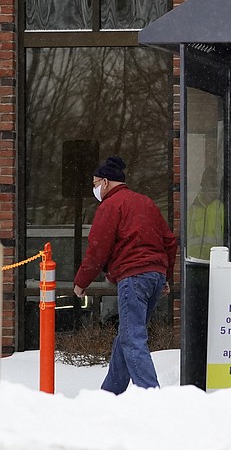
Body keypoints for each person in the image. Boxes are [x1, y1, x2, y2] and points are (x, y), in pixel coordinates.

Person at [73, 156, 177, 395]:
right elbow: (169, 241)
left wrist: (81, 282)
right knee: (127, 334)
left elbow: (98, 248)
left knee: (132, 338)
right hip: (155, 275)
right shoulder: (145, 203)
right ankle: (109, 394)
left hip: (133, 277)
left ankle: (151, 395)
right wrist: (165, 276)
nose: (95, 188)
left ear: (106, 182)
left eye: (95, 183)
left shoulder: (110, 206)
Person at [186, 168, 231, 260]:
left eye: (214, 185)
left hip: (217, 261)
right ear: (202, 185)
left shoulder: (225, 208)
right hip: (193, 261)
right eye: (208, 184)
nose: (210, 188)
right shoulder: (192, 210)